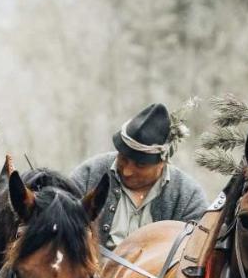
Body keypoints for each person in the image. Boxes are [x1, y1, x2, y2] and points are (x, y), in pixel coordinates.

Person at [69, 103, 206, 249]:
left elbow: (195, 251)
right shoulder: (88, 175)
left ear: (163, 162)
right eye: (123, 159)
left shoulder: (188, 197)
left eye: (140, 165)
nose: (127, 171)